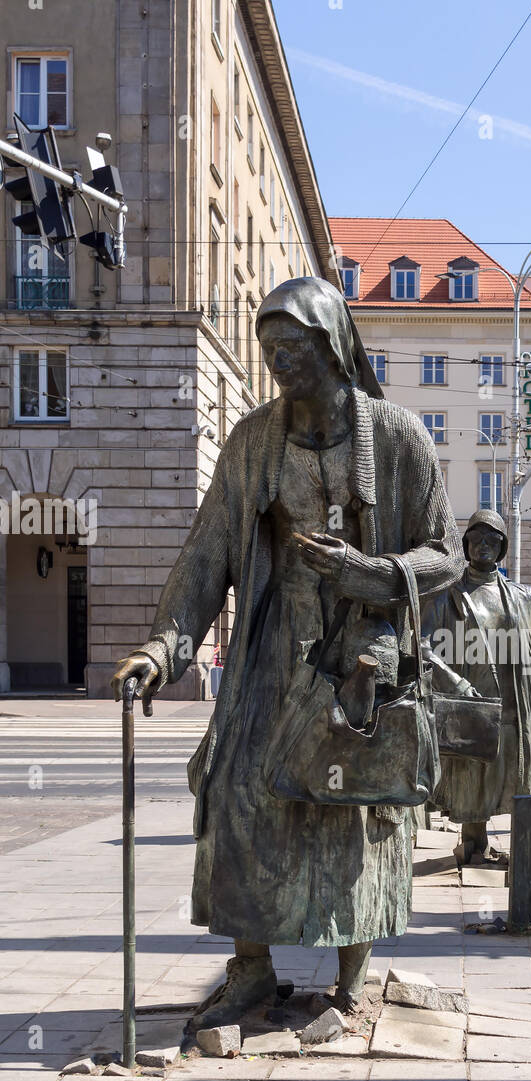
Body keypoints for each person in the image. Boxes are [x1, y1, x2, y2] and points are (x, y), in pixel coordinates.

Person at [111, 277, 463, 1025]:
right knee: (241, 798)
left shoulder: (396, 434)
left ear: (333, 345)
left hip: (359, 655)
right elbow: (207, 555)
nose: (279, 365)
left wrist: (373, 574)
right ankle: (249, 969)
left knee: (353, 812)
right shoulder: (253, 440)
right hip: (270, 654)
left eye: (294, 349)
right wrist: (164, 647)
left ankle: (353, 972)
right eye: (270, 351)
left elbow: (446, 554)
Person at [421, 509, 531, 863]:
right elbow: (421, 646)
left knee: (519, 777)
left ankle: (526, 853)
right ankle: (473, 844)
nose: (484, 545)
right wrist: (455, 681)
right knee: (473, 776)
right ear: (466, 544)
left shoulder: (526, 597)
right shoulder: (446, 595)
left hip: (518, 704)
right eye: (477, 538)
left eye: (492, 539)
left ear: (502, 547)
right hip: (471, 705)